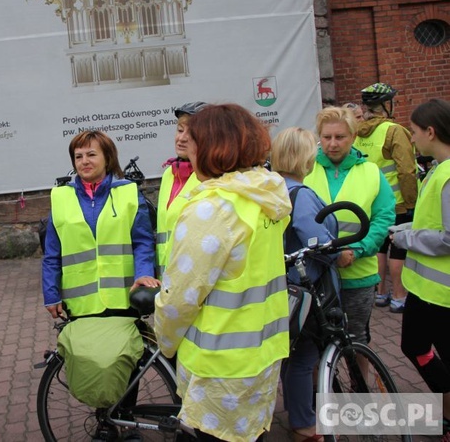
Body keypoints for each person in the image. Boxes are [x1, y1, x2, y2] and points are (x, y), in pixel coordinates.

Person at [154, 103, 291, 442]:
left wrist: (165, 342)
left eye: (195, 140)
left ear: (214, 147)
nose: (189, 148)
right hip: (263, 353)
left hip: (218, 369)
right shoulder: (265, 194)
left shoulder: (212, 208)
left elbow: (179, 301)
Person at [304, 106, 395, 352]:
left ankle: (359, 389)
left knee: (356, 341)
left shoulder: (371, 172)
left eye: (340, 137)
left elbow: (383, 217)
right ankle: (320, 391)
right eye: (326, 137)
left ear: (353, 137)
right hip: (316, 274)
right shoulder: (305, 170)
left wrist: (359, 249)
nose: (332, 144)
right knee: (315, 344)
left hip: (357, 274)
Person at [42, 130, 158, 320]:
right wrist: (51, 294)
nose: (84, 161)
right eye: (78, 156)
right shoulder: (60, 197)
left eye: (91, 154)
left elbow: (143, 243)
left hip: (124, 299)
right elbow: (52, 254)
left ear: (108, 158)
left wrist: (144, 274)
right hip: (80, 304)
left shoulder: (128, 193)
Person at [271, 127, 339, 442]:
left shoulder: (271, 189)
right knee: (303, 357)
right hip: (304, 290)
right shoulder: (300, 193)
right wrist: (338, 251)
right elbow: (316, 239)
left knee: (290, 357)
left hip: (279, 288)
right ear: (303, 158)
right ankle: (304, 425)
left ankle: (296, 416)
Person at [391, 98, 450, 436]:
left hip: (441, 295)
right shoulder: (439, 170)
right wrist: (405, 230)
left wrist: (407, 239)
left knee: (421, 349)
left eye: (413, 131)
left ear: (431, 131)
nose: (411, 138)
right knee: (414, 347)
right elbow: (432, 222)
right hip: (425, 290)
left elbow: (448, 237)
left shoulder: (447, 173)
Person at [356, 83, 418, 313]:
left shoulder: (358, 133)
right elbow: (406, 170)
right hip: (397, 202)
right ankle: (399, 296)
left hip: (370, 201)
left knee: (380, 247)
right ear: (384, 105)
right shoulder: (394, 131)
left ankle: (380, 292)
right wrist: (411, 201)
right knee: (398, 248)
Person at [155, 101, 205, 279]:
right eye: (179, 129)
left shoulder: (211, 177)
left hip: (196, 282)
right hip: (168, 281)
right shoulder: (169, 173)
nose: (182, 138)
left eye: (191, 133)